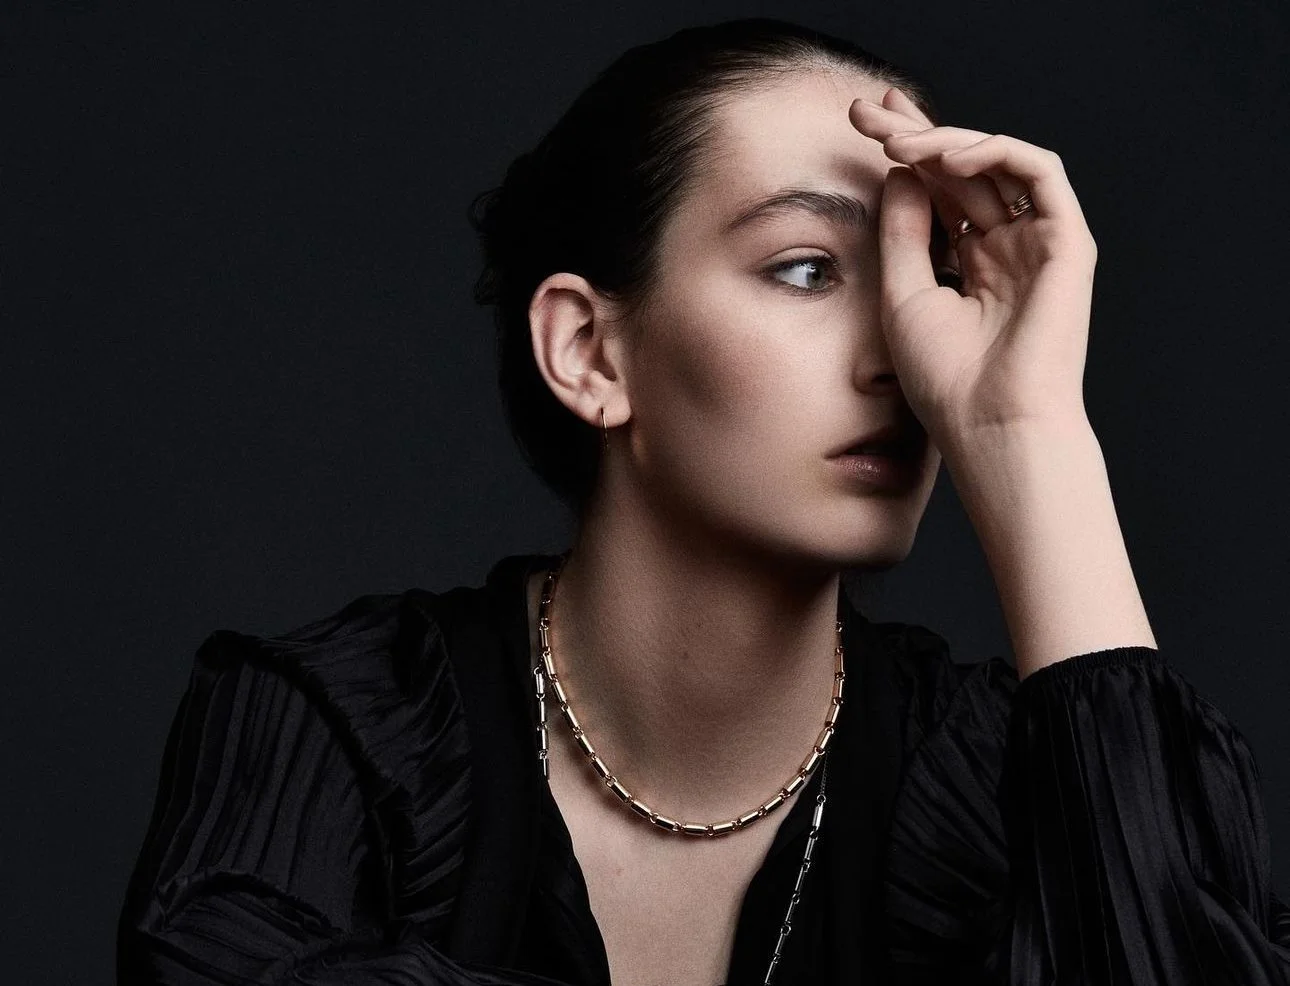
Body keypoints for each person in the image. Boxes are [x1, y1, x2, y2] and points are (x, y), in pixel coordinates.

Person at [115, 17, 1290, 986]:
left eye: (927, 275)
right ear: (589, 351)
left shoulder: (991, 781)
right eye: (807, 268)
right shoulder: (338, 733)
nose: (902, 354)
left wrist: (1031, 437)